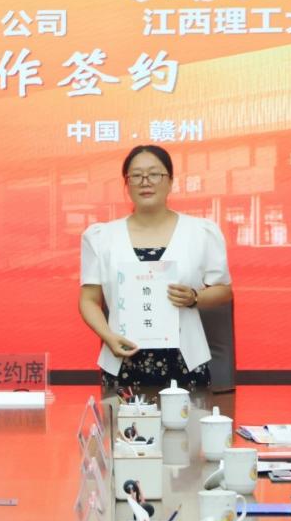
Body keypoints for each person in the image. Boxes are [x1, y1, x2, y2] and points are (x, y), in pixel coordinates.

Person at [79, 145, 232, 389]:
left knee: (189, 415)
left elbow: (224, 290)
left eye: (154, 174)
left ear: (170, 181)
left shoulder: (201, 232)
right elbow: (88, 299)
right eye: (136, 175)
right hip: (122, 357)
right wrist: (108, 337)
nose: (145, 182)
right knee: (121, 416)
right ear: (127, 184)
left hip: (186, 360)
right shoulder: (101, 237)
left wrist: (194, 297)